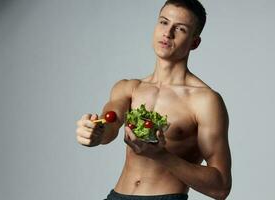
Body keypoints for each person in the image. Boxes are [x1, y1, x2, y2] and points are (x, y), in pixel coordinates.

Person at [76, 0, 232, 199]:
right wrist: (95, 132)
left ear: (194, 42)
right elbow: (110, 125)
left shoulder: (205, 101)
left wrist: (161, 155)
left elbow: (220, 186)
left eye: (181, 28)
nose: (168, 33)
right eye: (163, 22)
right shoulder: (128, 88)